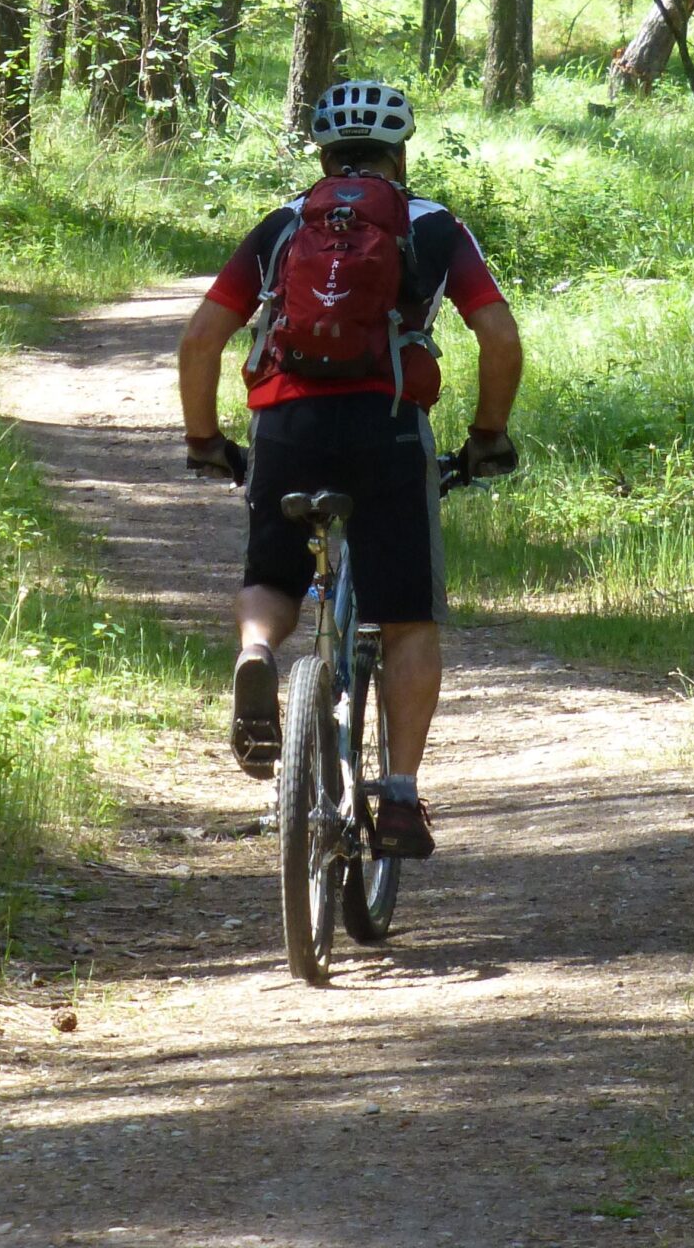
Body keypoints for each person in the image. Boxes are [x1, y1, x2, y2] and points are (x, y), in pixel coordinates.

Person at [178, 78, 521, 859]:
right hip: (389, 432)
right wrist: (486, 436)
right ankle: (398, 797)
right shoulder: (431, 226)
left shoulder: (284, 224)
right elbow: (498, 337)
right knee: (406, 622)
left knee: (272, 573)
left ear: (324, 154)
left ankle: (257, 656)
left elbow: (202, 339)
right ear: (399, 155)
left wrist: (206, 441)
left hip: (286, 427)